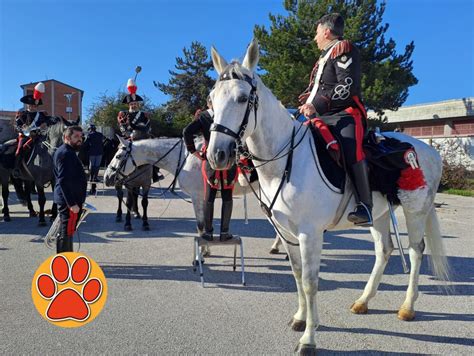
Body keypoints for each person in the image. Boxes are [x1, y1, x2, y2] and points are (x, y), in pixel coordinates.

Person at [298, 13, 372, 226]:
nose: (315, 38)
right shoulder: (325, 56)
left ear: (327, 31)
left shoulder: (343, 49)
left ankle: (365, 206)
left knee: (351, 150)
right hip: (321, 116)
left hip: (344, 115)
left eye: (317, 32)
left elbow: (345, 86)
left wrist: (316, 105)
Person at [183, 96, 237, 241]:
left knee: (210, 196)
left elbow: (187, 132)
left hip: (210, 158)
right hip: (229, 157)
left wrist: (193, 151)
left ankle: (208, 232)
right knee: (226, 195)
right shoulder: (227, 114)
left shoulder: (203, 117)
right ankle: (224, 233)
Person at [117, 78, 162, 181]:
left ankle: (155, 173)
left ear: (138, 104)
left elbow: (147, 126)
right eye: (132, 104)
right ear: (129, 105)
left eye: (135, 104)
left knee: (153, 152)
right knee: (119, 153)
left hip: (142, 137)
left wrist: (142, 132)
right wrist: (129, 135)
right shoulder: (123, 114)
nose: (133, 105)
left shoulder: (143, 114)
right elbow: (122, 127)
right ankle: (116, 174)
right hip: (129, 138)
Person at [53, 126, 87, 253]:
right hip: (69, 201)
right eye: (76, 137)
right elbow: (63, 180)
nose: (80, 139)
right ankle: (63, 264)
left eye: (81, 136)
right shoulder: (65, 153)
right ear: (67, 137)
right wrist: (72, 203)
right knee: (66, 232)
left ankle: (67, 260)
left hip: (71, 199)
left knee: (68, 231)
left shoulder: (68, 151)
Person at [13, 82, 57, 178]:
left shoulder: (41, 114)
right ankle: (16, 169)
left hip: (39, 136)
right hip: (26, 137)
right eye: (31, 105)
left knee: (52, 149)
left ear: (37, 106)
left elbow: (51, 120)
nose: (32, 107)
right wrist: (22, 129)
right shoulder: (21, 114)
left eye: (34, 105)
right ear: (28, 105)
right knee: (19, 150)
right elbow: (17, 126)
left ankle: (54, 170)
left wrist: (47, 123)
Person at [84, 124, 104, 194]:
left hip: (92, 153)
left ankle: (92, 180)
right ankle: (95, 178)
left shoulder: (89, 135)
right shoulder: (100, 134)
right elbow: (103, 142)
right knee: (97, 167)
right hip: (100, 153)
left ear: (90, 129)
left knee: (92, 168)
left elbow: (85, 144)